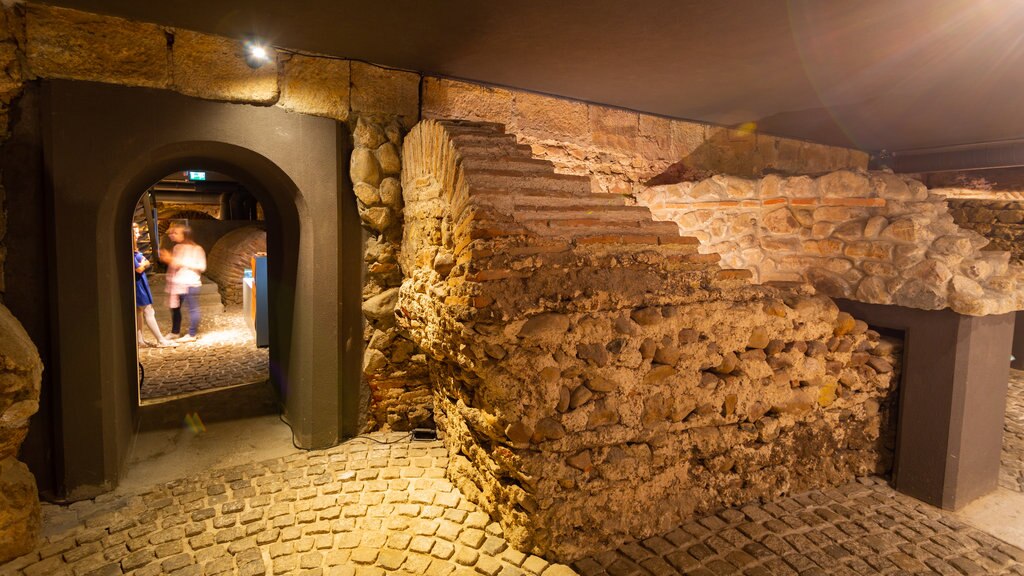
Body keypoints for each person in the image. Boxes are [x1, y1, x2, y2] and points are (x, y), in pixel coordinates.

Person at [160, 223, 207, 343]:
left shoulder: (197, 249)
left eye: (176, 233)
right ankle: (175, 332)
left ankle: (192, 334)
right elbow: (175, 264)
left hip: (191, 283)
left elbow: (202, 266)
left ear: (185, 235)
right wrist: (169, 260)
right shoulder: (177, 248)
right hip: (178, 283)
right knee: (175, 308)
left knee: (192, 308)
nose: (173, 235)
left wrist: (181, 262)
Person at [133, 223, 177, 348]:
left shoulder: (133, 249)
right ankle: (160, 340)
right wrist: (146, 264)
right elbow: (139, 269)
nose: (138, 234)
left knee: (139, 312)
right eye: (135, 232)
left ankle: (140, 341)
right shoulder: (129, 250)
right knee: (148, 310)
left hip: (140, 282)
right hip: (138, 284)